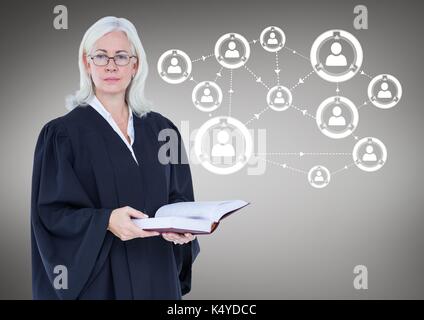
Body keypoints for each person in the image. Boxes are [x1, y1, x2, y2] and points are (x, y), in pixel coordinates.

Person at [30, 16, 200, 300]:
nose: (111, 65)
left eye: (121, 56)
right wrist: (105, 221)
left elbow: (179, 197)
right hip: (100, 282)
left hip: (157, 274)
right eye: (100, 56)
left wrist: (182, 227)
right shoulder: (61, 135)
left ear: (135, 65)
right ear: (87, 63)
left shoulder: (163, 131)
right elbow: (50, 216)